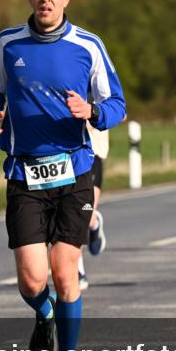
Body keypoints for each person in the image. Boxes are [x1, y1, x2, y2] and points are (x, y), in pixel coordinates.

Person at [0, 0, 127, 351]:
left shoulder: (88, 45)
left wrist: (93, 112)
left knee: (65, 273)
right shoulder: (8, 43)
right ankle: (43, 313)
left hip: (73, 170)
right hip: (25, 172)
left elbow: (116, 103)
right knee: (31, 279)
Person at [78, 122, 109, 291]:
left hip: (92, 153)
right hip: (64, 156)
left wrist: (92, 114)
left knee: (86, 216)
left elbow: (120, 111)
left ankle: (95, 223)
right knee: (69, 218)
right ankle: (78, 271)